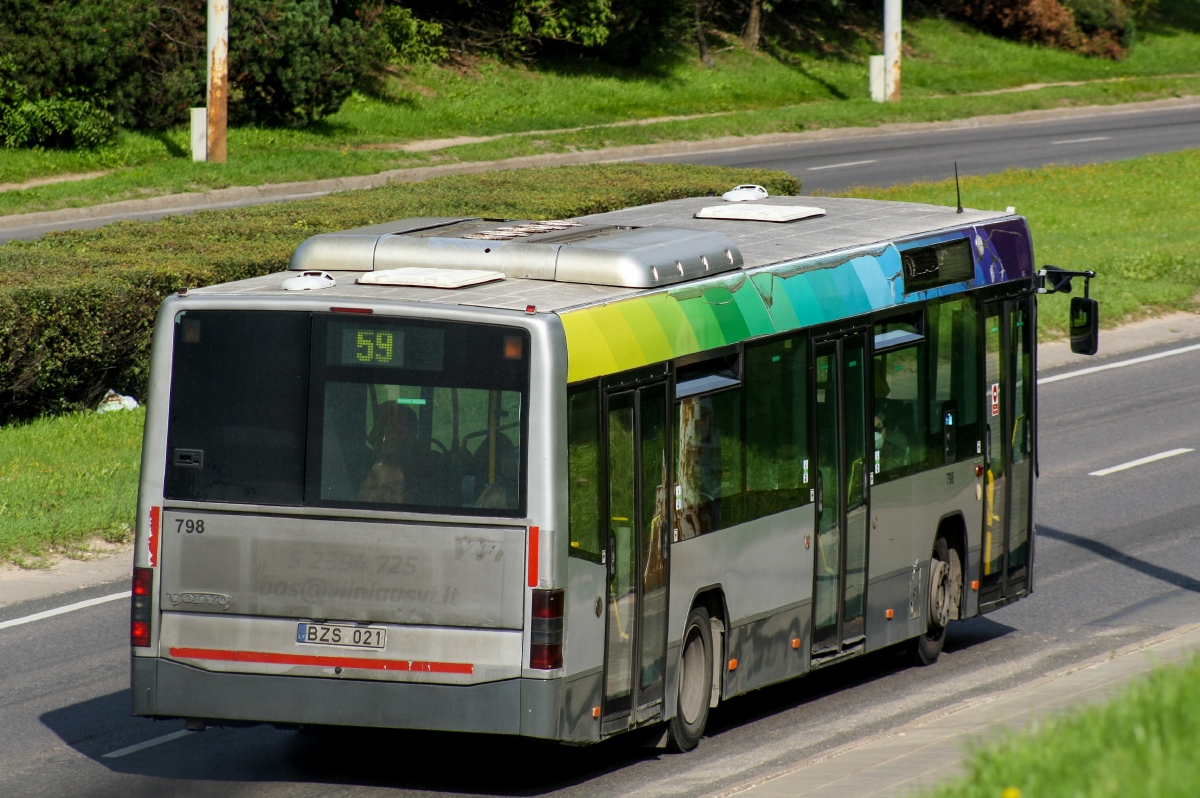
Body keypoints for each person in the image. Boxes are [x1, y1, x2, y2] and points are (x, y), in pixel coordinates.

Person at [358, 402, 417, 504]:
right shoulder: (359, 465)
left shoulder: (427, 477)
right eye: (376, 427)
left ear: (405, 436)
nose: (372, 436)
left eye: (382, 429)